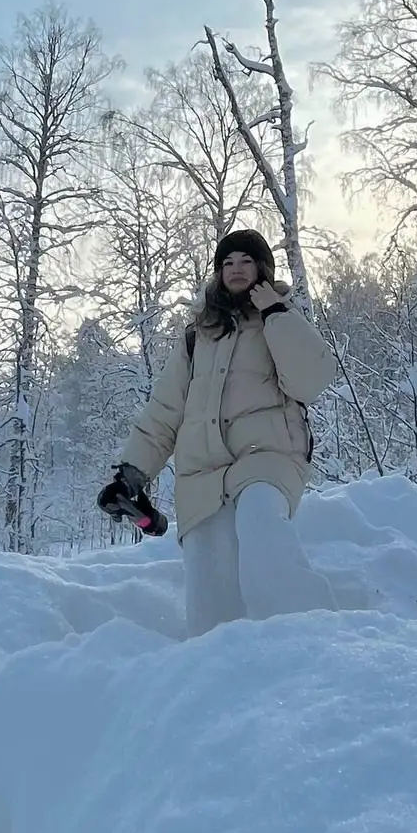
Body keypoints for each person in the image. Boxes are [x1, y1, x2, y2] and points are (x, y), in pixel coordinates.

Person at [101, 228, 339, 635]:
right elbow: (165, 409)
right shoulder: (197, 336)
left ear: (263, 268)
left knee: (260, 525)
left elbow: (312, 381)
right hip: (202, 475)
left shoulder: (281, 319)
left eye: (246, 260)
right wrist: (132, 474)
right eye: (227, 263)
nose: (236, 269)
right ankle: (224, 676)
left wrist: (276, 315)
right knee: (211, 590)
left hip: (267, 456)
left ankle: (314, 637)